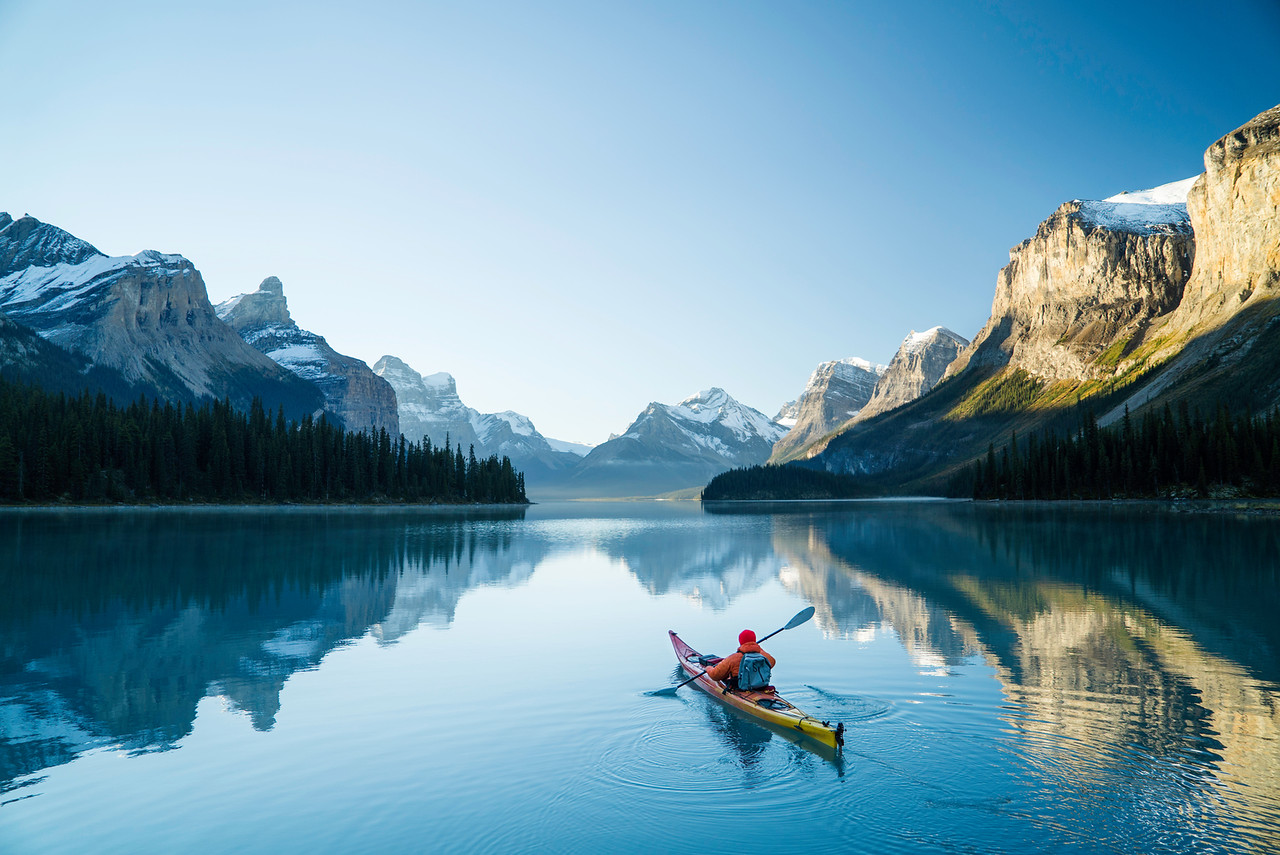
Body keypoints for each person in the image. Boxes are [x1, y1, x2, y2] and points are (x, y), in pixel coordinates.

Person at [706, 629, 776, 690]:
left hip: (739, 688)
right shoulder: (763, 655)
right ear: (754, 640)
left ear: (740, 641)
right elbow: (772, 663)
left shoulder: (733, 658)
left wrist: (709, 669)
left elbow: (715, 676)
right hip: (761, 687)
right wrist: (756, 648)